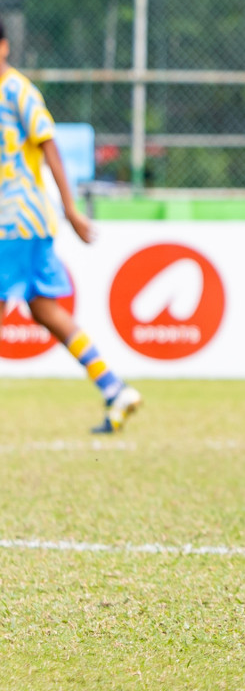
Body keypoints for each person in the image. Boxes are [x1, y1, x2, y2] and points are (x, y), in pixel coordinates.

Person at [0, 21, 142, 433]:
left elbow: (50, 148)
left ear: (5, 46)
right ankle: (115, 389)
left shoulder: (18, 91)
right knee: (45, 310)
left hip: (18, 222)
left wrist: (71, 209)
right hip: (19, 224)